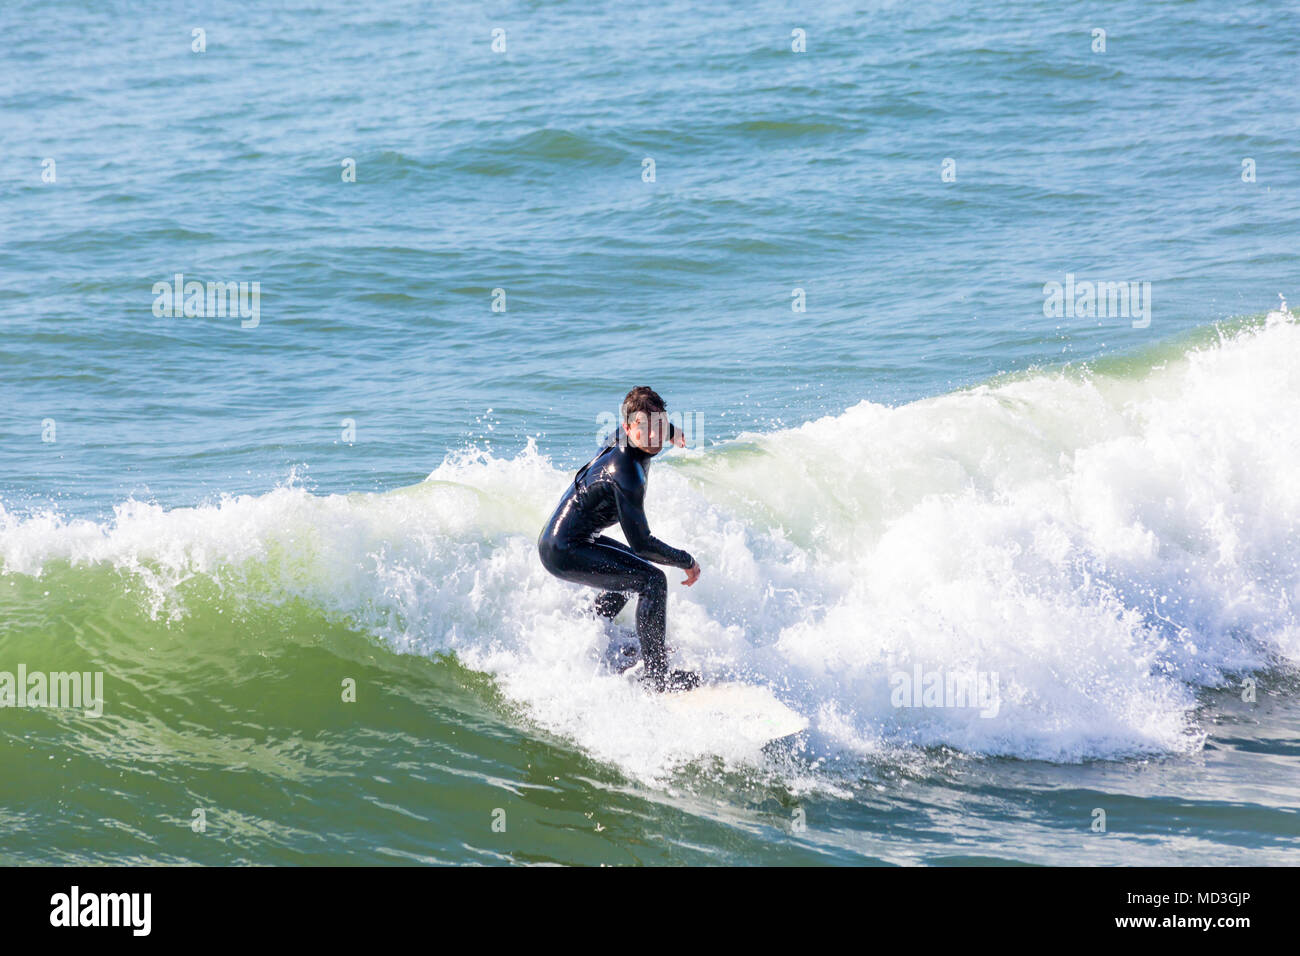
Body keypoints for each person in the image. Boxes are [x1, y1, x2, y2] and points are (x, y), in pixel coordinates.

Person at [537, 386, 702, 691]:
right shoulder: (627, 474)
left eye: (661, 427)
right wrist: (686, 561)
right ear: (629, 429)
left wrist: (673, 431)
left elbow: (649, 423)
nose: (655, 438)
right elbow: (642, 543)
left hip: (572, 539)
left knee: (631, 572)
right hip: (563, 549)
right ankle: (658, 678)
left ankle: (592, 634)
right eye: (647, 431)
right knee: (651, 580)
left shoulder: (626, 432)